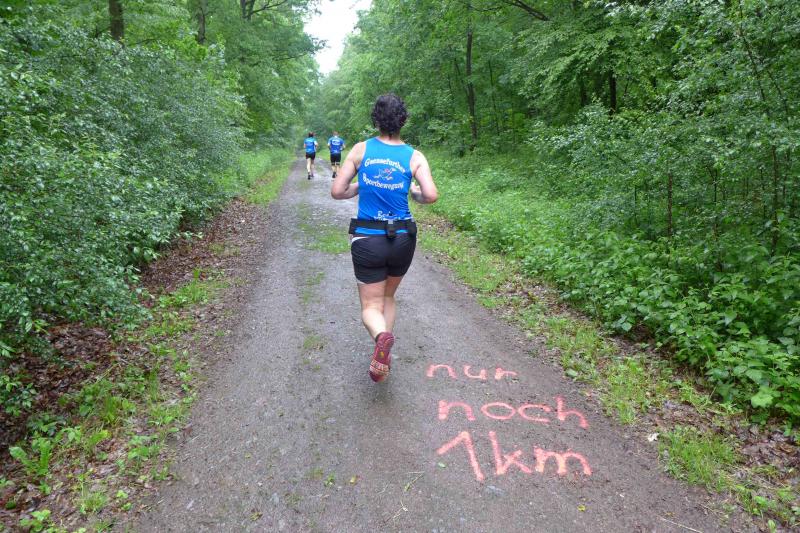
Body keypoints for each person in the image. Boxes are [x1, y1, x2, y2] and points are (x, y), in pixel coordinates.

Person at [331, 94, 438, 383]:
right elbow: (430, 195)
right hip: (403, 238)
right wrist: (413, 193)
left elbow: (337, 191)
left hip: (368, 239)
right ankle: (383, 355)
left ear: (376, 119)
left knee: (370, 306)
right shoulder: (415, 156)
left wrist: (359, 186)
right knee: (388, 296)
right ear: (403, 120)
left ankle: (381, 338)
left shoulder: (361, 149)